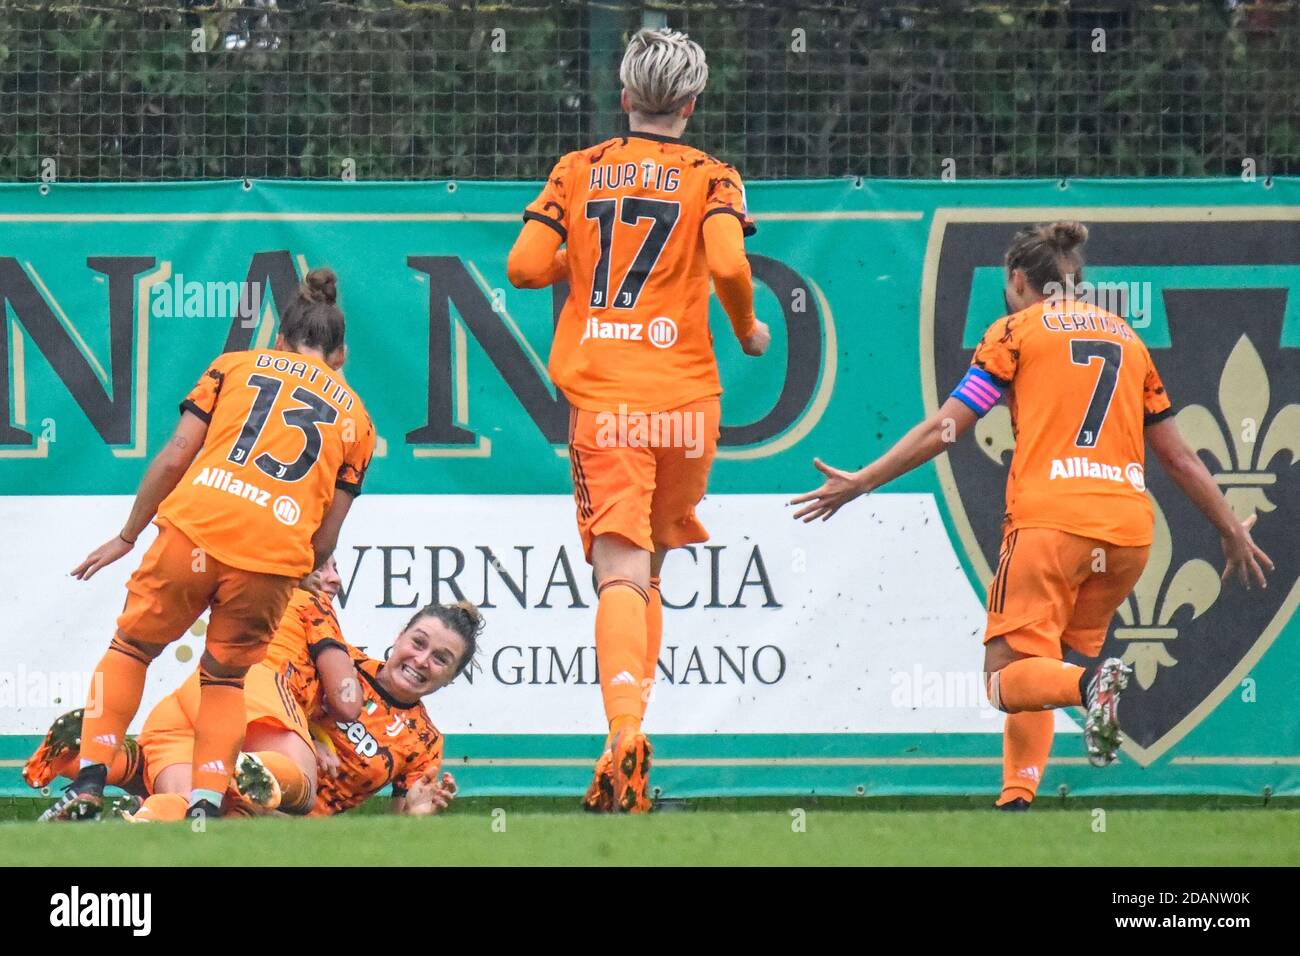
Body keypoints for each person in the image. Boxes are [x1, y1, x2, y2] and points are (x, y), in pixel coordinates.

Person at [791, 221, 1273, 809]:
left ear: (1018, 279)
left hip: (1049, 524)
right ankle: (1018, 798)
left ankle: (1091, 687)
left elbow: (948, 427)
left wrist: (865, 479)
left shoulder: (1015, 332)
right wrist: (1229, 530)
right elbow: (1177, 455)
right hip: (1128, 534)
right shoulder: (1127, 338)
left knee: (1004, 679)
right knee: (1038, 662)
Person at [506, 27, 770, 813]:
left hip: (609, 406)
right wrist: (749, 327)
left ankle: (623, 736)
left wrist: (575, 260)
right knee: (652, 573)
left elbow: (524, 268)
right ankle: (637, 749)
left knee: (619, 574)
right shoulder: (713, 176)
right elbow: (727, 264)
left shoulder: (578, 171)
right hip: (689, 406)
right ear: (691, 104)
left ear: (625, 98)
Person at [45, 267, 376, 821]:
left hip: (197, 527)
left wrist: (128, 535)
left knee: (130, 649)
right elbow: (326, 539)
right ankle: (204, 802)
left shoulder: (235, 366)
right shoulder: (359, 421)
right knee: (224, 679)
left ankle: (89, 785)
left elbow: (176, 455)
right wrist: (292, 570)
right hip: (271, 560)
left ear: (279, 338)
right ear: (339, 355)